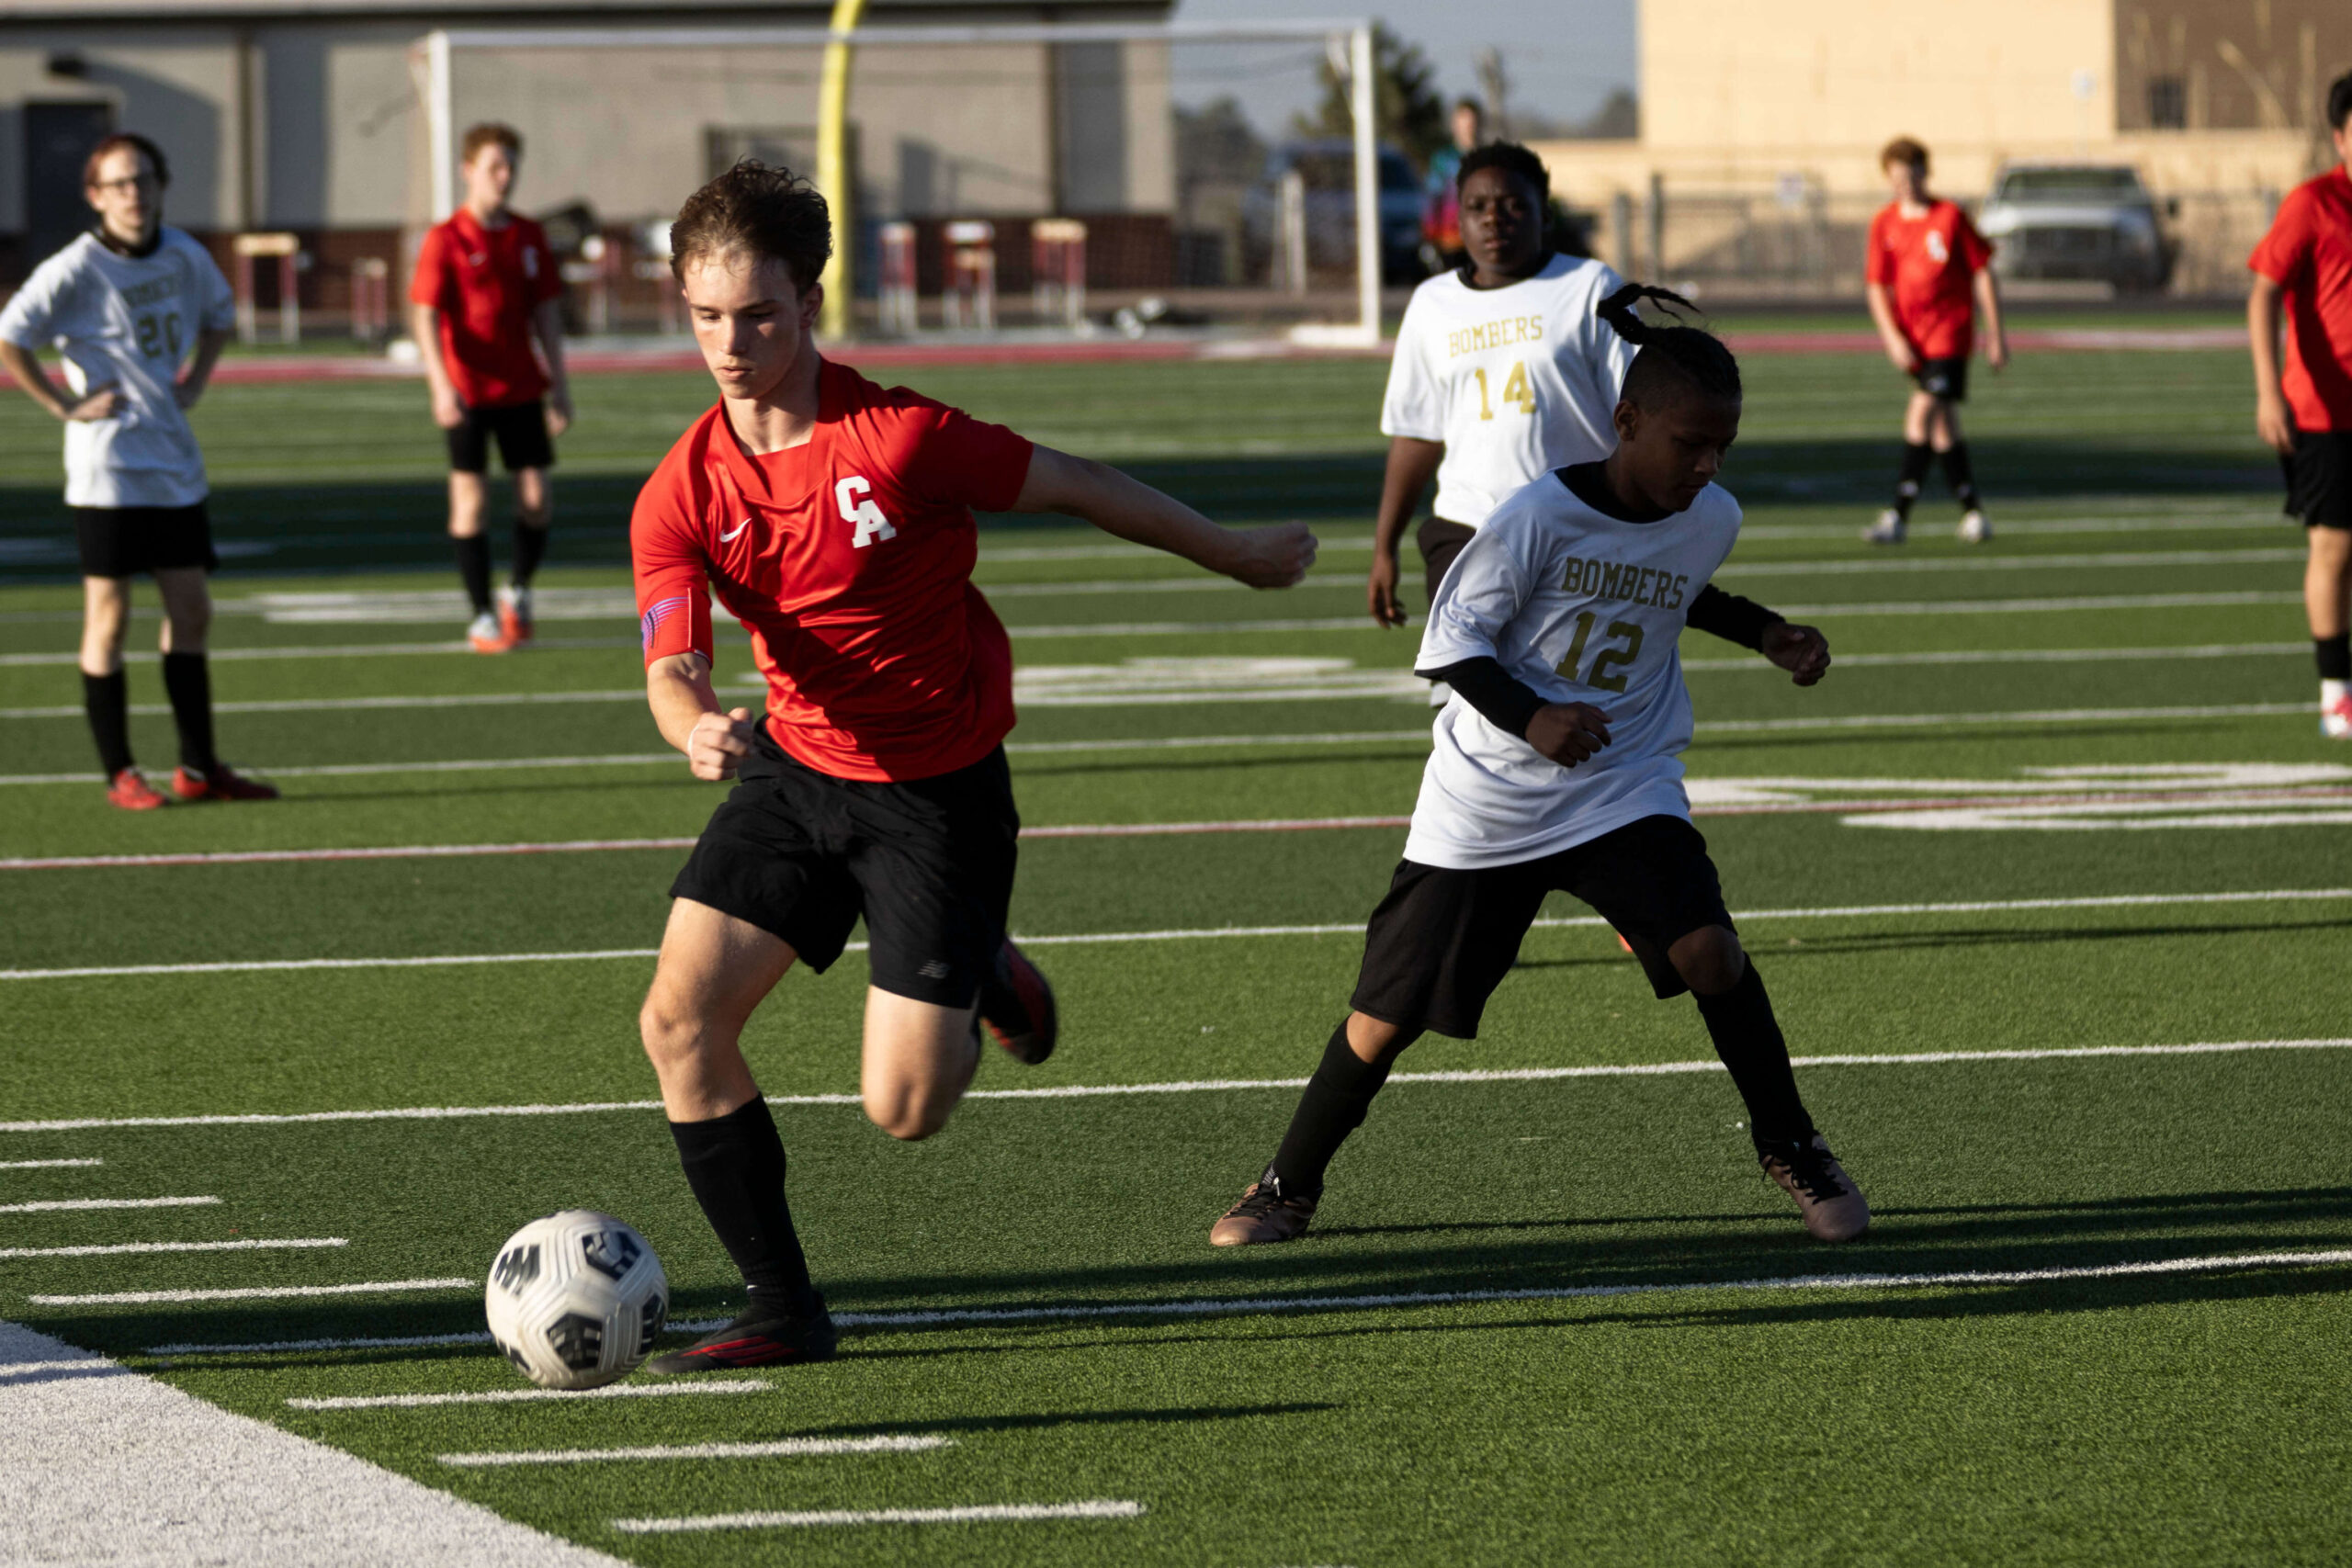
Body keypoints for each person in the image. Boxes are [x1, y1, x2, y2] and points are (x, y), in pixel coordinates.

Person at [628, 163, 1317, 1371]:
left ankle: (985, 963)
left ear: (810, 302)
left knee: (904, 1110)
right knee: (678, 1019)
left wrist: (1236, 554)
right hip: (794, 769)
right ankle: (784, 1308)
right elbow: (671, 660)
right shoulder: (680, 491)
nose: (730, 345)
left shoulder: (902, 439)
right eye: (706, 317)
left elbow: (1081, 484)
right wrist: (691, 724)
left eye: (759, 315)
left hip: (935, 793)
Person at [1209, 284, 1870, 1250]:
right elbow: (1451, 642)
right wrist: (1533, 718)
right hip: (1492, 792)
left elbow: (1678, 585)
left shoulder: (1711, 514)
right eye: (1689, 443)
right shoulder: (1535, 516)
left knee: (1710, 953)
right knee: (1383, 1017)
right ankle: (1286, 1183)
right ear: (1626, 422)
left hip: (1622, 780)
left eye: (1722, 447)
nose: (1707, 465)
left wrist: (1766, 631)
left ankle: (1792, 1144)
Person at [0, 133, 277, 810]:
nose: (134, 193)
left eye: (144, 179)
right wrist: (63, 405)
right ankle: (120, 771)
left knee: (192, 610)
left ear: (160, 186)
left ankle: (199, 767)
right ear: (95, 196)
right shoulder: (76, 267)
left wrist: (197, 380)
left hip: (173, 461)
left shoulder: (184, 252)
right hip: (109, 468)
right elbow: (10, 334)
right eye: (120, 183)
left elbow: (218, 317)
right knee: (110, 617)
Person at [1375, 142, 1639, 710]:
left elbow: (1641, 410)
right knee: (1464, 706)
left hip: (1574, 530)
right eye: (1477, 206)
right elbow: (1417, 433)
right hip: (1468, 528)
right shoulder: (1432, 304)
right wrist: (1384, 546)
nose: (1494, 219)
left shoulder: (1592, 287)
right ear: (1459, 218)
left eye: (1513, 205)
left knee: (1570, 707)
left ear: (1544, 214)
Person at [409, 121, 571, 654]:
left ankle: (517, 590)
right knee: (470, 502)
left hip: (521, 388)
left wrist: (559, 385)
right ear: (468, 171)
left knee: (536, 500)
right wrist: (440, 385)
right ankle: (481, 614)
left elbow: (546, 313)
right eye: (494, 167)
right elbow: (425, 315)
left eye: (510, 167)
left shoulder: (527, 235)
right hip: (468, 392)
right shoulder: (446, 238)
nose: (504, 177)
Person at [2248, 72, 2352, 740]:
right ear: (2340, 137)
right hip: (2324, 411)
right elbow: (2263, 293)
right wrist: (2269, 390)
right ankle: (2336, 693)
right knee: (2335, 546)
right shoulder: (2313, 203)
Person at [1861, 136, 2007, 546]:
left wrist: (1996, 334)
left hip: (1949, 335)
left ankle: (1897, 516)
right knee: (1943, 428)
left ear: (1925, 173)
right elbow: (1876, 285)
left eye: (1912, 177)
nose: (1905, 186)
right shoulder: (1885, 223)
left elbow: (1982, 271)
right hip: (1914, 340)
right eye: (1897, 179)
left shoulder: (1950, 217)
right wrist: (1892, 338)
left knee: (1921, 413)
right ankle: (1974, 513)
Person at [1419, 97, 1487, 270]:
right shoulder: (1443, 159)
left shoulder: (1488, 158)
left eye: (1472, 123)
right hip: (1451, 241)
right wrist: (1430, 236)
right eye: (1464, 122)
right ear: (1455, 125)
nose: (1469, 128)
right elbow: (1433, 198)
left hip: (1483, 240)